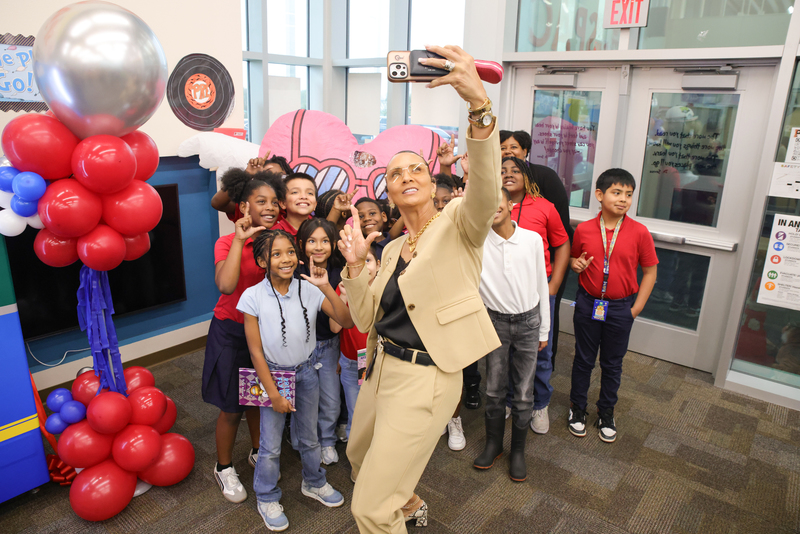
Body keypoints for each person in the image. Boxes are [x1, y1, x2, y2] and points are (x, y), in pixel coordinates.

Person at [338, 45, 502, 533]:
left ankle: (392, 509)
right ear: (387, 192)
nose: (406, 176)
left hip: (427, 377)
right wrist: (353, 270)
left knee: (368, 507)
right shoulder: (389, 249)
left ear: (433, 185)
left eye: (416, 170)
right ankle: (407, 501)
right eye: (395, 173)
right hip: (382, 367)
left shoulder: (459, 224)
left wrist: (479, 108)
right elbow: (365, 320)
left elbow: (486, 191)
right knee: (357, 455)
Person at [238, 229, 354, 532]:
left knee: (309, 435)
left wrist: (326, 287)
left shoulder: (309, 288)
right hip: (272, 375)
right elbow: (255, 352)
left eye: (290, 251)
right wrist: (273, 393)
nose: (286, 258)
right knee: (271, 444)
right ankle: (266, 496)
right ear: (263, 260)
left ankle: (314, 482)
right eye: (276, 254)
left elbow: (346, 320)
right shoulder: (252, 297)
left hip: (307, 370)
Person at [202, 171, 285, 503]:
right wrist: (239, 240)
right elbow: (225, 285)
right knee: (232, 407)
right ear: (244, 206)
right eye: (260, 201)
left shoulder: (280, 236)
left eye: (274, 202)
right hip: (232, 332)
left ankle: (257, 450)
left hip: (265, 334)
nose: (270, 207)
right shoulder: (228, 241)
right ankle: (223, 467)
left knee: (258, 400)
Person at [568, 169, 658, 443]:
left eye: (629, 195)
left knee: (612, 364)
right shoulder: (584, 229)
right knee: (583, 360)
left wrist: (636, 309)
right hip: (588, 304)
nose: (623, 200)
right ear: (599, 195)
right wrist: (576, 265)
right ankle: (577, 409)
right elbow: (574, 260)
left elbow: (650, 272)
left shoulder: (639, 232)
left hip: (620, 308)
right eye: (616, 193)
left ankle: (606, 411)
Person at [473, 187, 549, 482]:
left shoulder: (531, 239)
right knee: (493, 389)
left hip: (529, 321)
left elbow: (541, 283)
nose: (493, 206)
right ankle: (494, 445)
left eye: (498, 200)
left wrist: (543, 327)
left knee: (522, 392)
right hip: (495, 322)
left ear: (510, 203)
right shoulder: (477, 242)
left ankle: (518, 450)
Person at [502, 156, 569, 434]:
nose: (508, 174)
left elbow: (563, 245)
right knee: (504, 353)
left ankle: (539, 404)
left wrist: (552, 287)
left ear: (527, 176)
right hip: (503, 294)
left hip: (539, 293)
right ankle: (508, 399)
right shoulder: (493, 207)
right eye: (503, 170)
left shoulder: (544, 207)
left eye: (516, 170)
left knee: (541, 353)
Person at [500, 130, 573, 364]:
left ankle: (541, 392)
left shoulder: (544, 188)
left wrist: (553, 284)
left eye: (514, 147)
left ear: (526, 151)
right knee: (505, 348)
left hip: (541, 278)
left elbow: (561, 238)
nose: (508, 152)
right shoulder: (494, 202)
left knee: (541, 345)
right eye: (503, 147)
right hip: (504, 287)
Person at [295, 218, 345, 465]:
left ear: (334, 244)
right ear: (302, 244)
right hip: (299, 349)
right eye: (312, 241)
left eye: (325, 241)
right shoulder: (294, 272)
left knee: (331, 399)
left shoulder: (339, 273)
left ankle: (327, 440)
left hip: (328, 346)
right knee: (303, 398)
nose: (319, 246)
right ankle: (304, 440)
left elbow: (340, 320)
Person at [329, 244, 381, 441]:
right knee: (356, 413)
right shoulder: (344, 289)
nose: (362, 267)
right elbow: (335, 328)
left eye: (367, 261)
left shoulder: (384, 289)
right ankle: (357, 463)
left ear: (378, 264)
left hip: (378, 362)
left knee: (378, 412)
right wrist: (342, 295)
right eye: (356, 263)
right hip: (351, 363)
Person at [211, 154, 292, 221]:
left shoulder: (290, 209)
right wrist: (247, 174)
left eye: (280, 176)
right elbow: (217, 203)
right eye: (268, 175)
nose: (275, 181)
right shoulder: (249, 206)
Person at [272, 172, 318, 237]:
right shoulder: (273, 235)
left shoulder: (321, 230)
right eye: (295, 192)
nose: (303, 197)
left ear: (315, 204)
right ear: (283, 203)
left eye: (310, 193)